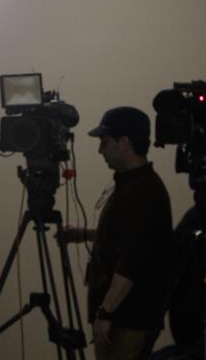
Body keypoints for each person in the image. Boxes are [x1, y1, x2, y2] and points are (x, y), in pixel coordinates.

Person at [63, 107, 173, 360]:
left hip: (126, 321)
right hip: (124, 320)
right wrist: (85, 234)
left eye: (105, 142)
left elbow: (132, 259)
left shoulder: (142, 191)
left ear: (124, 143)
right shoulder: (134, 184)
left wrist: (107, 312)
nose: (100, 150)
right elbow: (127, 235)